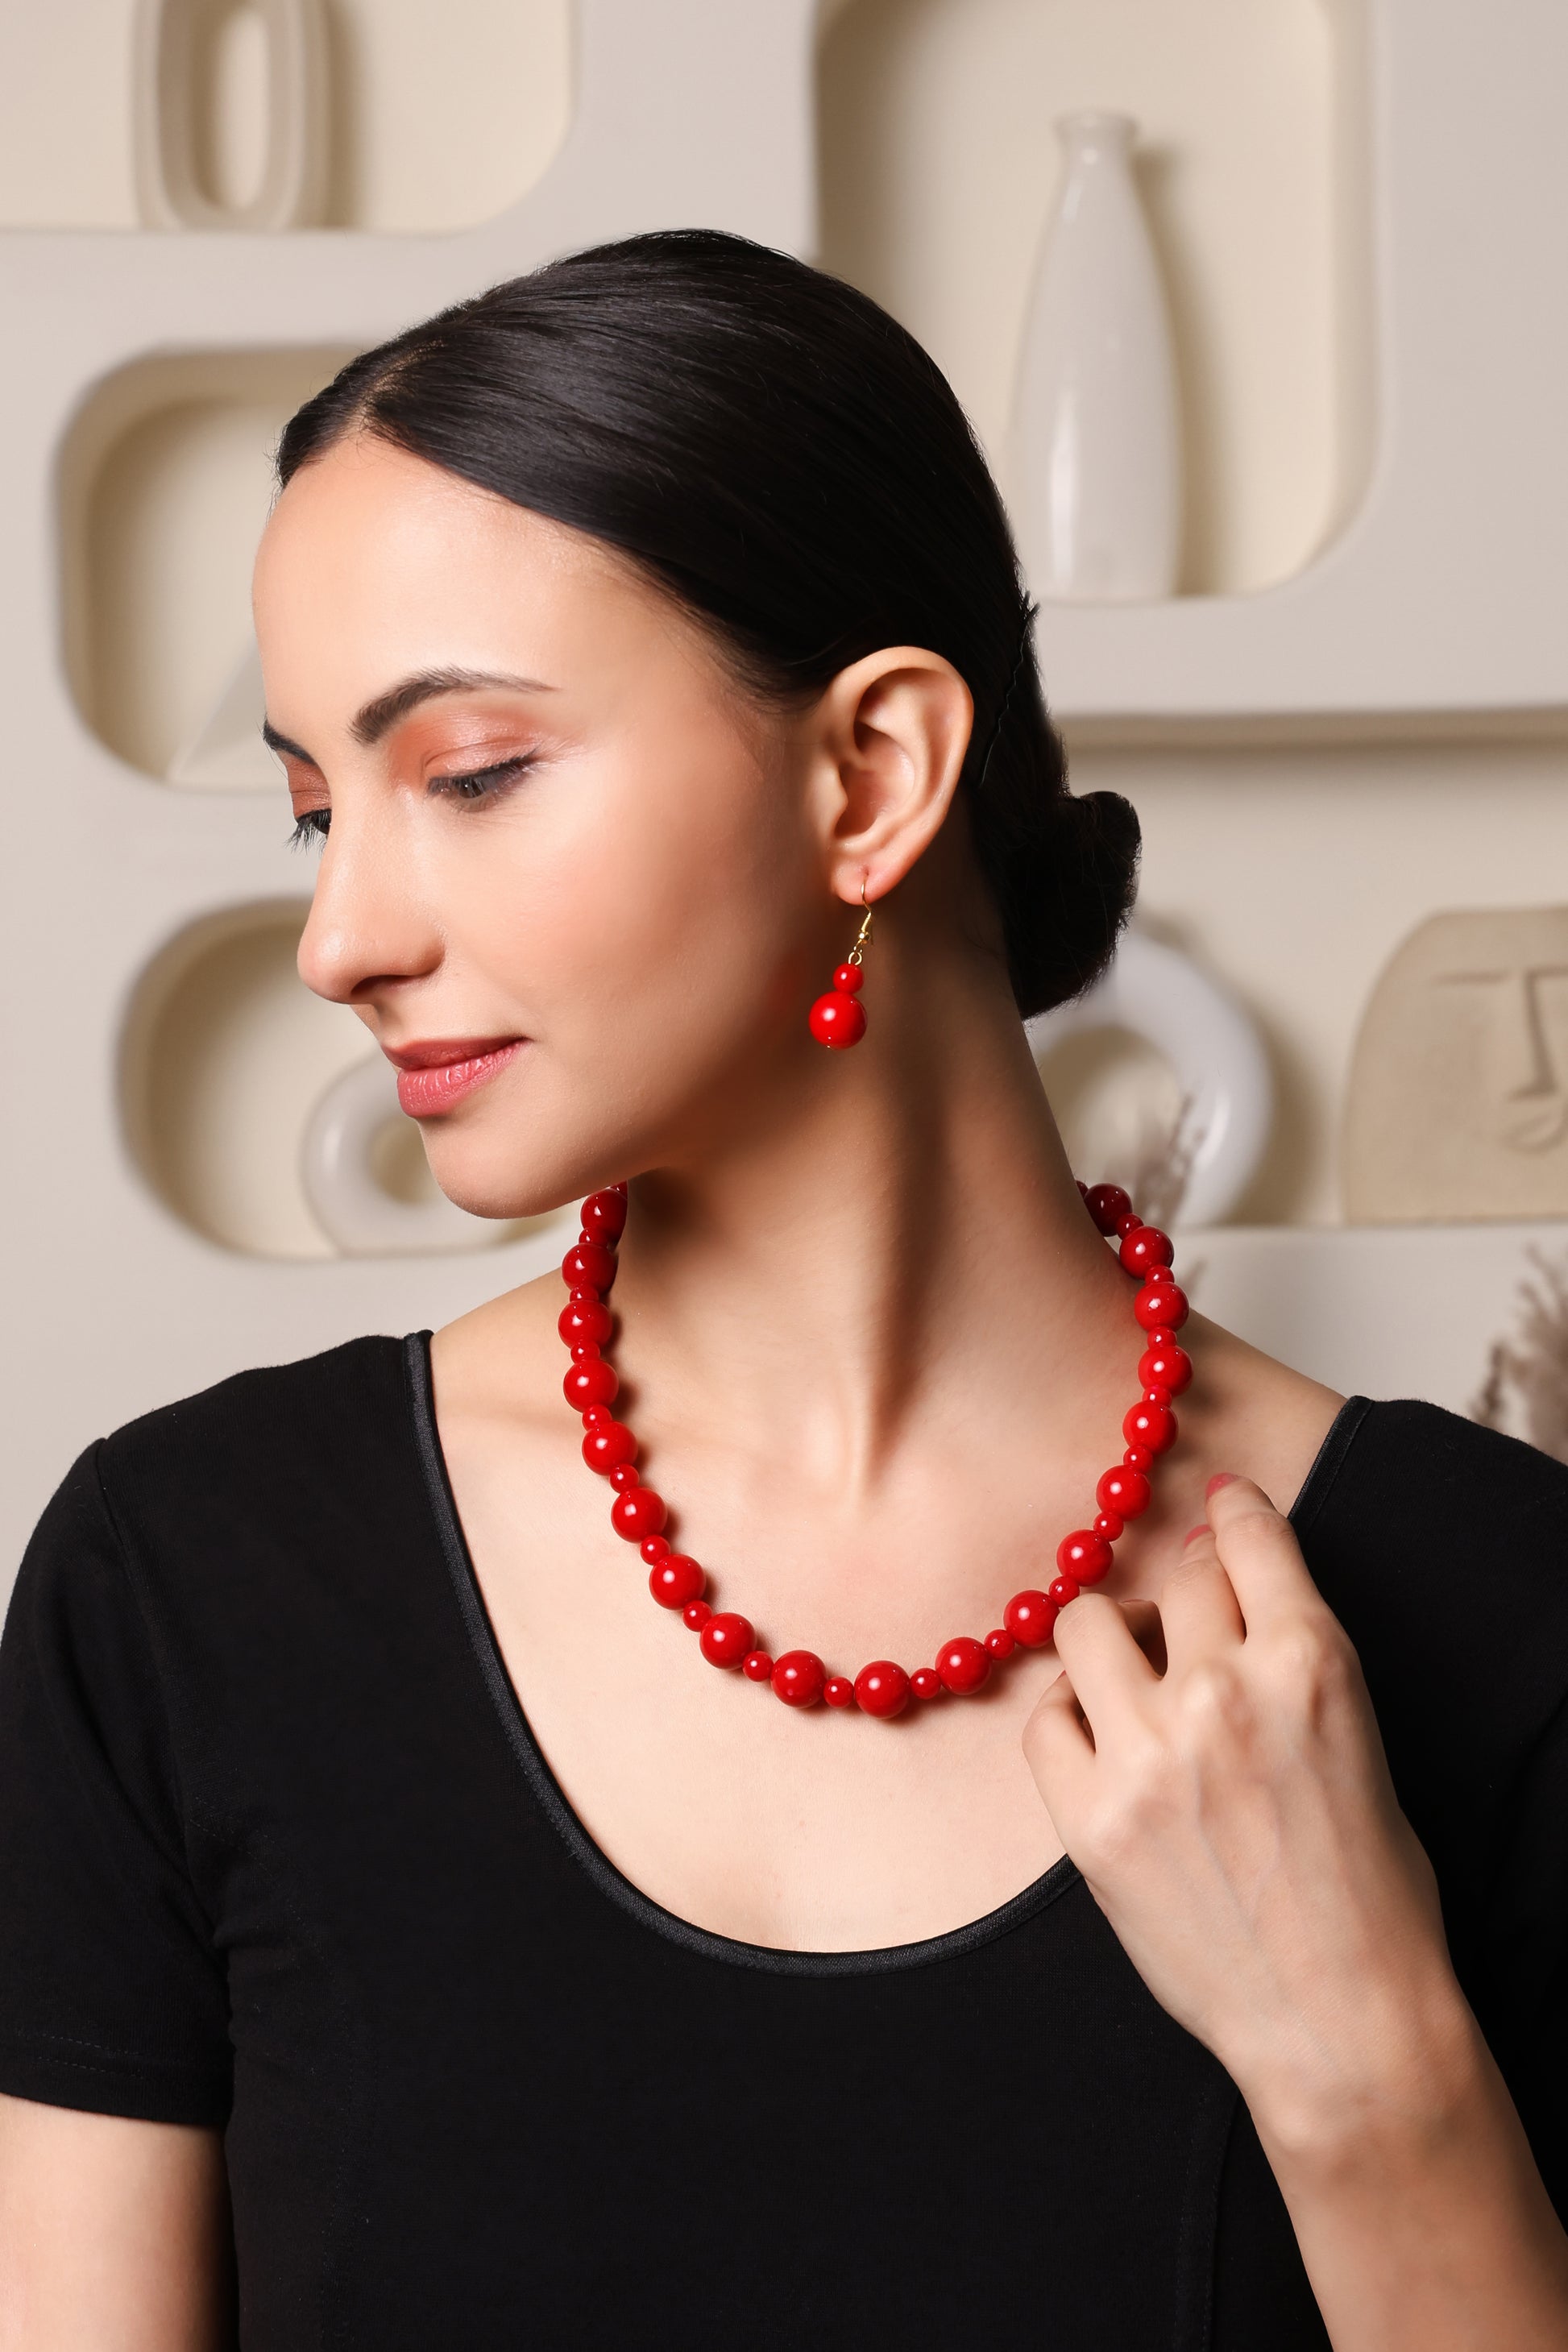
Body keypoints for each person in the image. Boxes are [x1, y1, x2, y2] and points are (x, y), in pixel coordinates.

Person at [1, 230, 1566, 2352]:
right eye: (311, 811)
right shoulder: (184, 1587)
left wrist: (1371, 2076)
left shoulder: (1500, 1616)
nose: (339, 938)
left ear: (872, 774)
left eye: (467, 773)